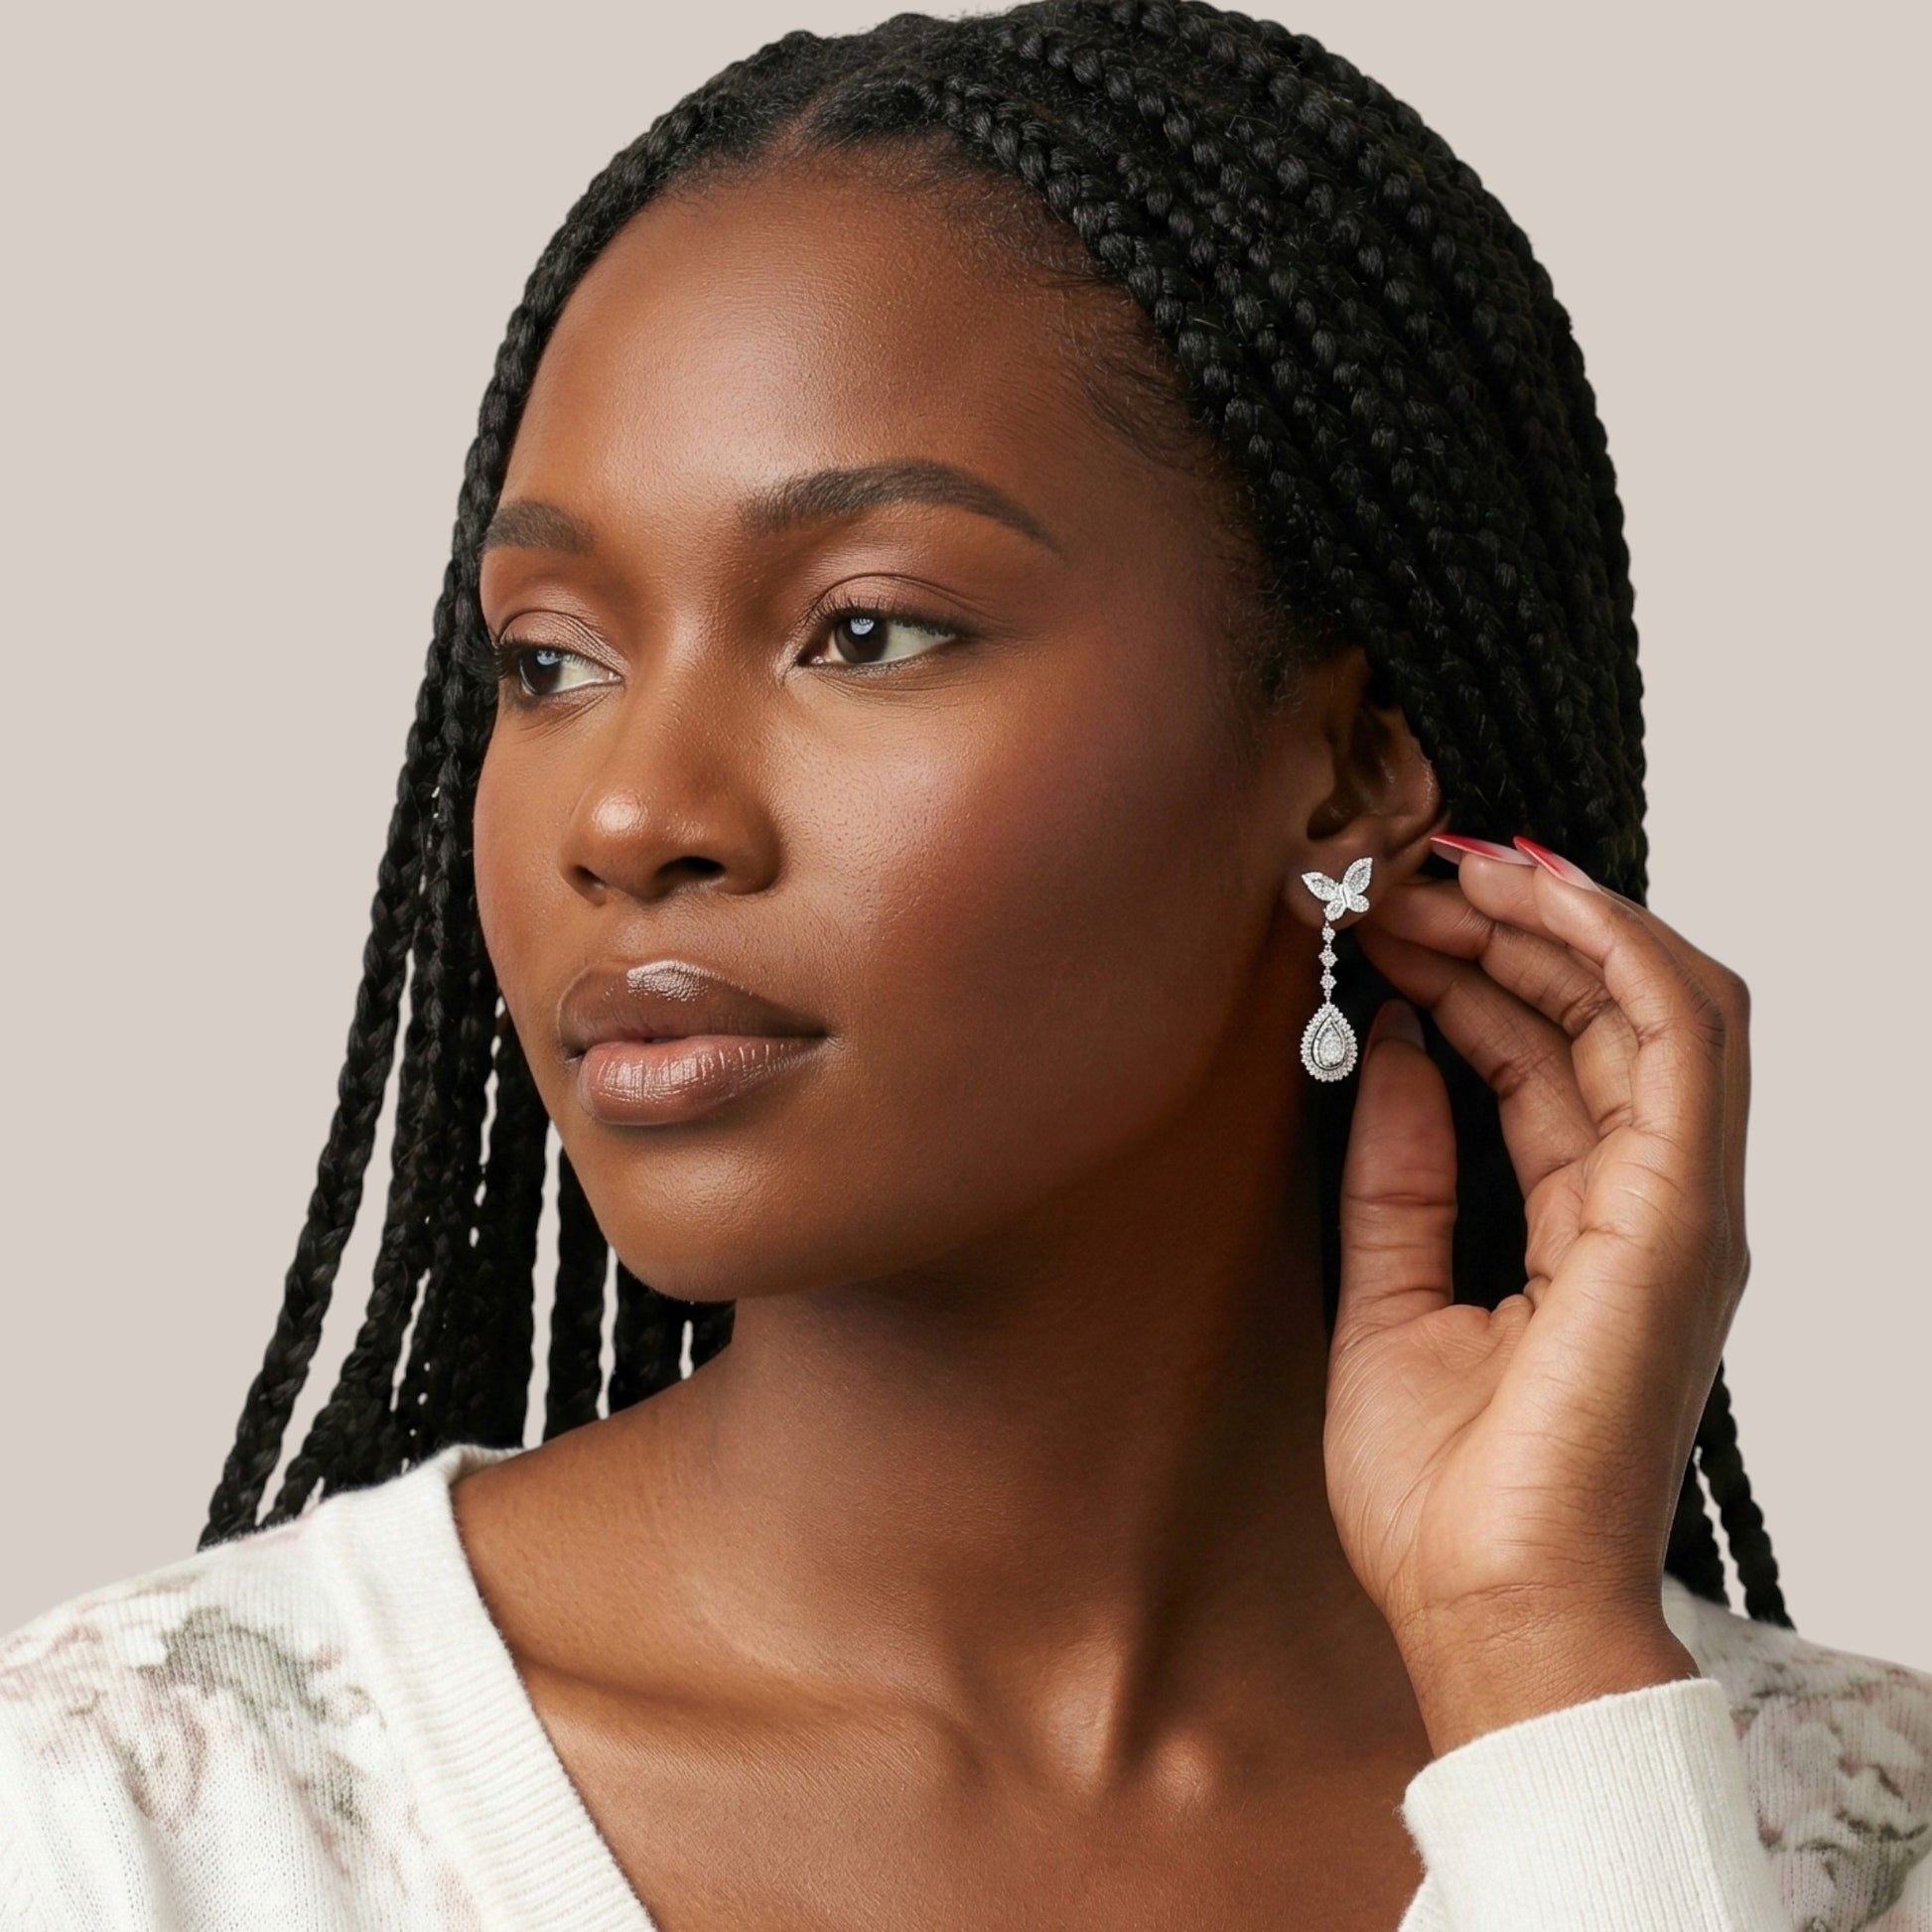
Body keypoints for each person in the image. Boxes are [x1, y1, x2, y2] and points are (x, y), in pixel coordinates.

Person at [3, 3, 1927, 1927]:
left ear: (1339, 767)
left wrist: (1540, 1670)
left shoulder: (1851, 1837)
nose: (626, 812)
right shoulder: (131, 1824)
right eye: (550, 660)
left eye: (865, 630)